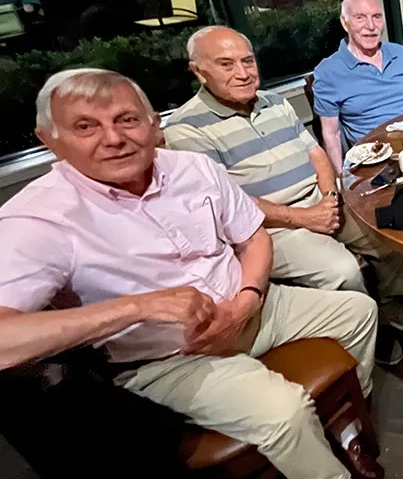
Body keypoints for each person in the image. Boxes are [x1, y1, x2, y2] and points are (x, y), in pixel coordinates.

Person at [0, 68, 383, 479]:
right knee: (285, 413)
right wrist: (138, 306)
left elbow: (254, 236)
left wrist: (247, 300)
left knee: (359, 311)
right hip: (169, 357)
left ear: (153, 125)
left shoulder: (192, 169)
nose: (112, 138)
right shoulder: (38, 217)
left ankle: (345, 431)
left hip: (250, 307)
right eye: (85, 126)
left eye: (126, 119)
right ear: (50, 140)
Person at [165, 26, 403, 366]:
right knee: (341, 269)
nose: (243, 73)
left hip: (321, 200)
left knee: (389, 227)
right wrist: (305, 217)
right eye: (226, 64)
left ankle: (393, 301)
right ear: (199, 72)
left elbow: (317, 153)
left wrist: (330, 198)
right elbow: (224, 204)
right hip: (267, 226)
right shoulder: (184, 129)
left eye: (247, 61)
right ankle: (368, 327)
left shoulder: (275, 102)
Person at [313, 0, 403, 174]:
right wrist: (342, 179)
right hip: (376, 160)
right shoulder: (328, 72)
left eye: (377, 17)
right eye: (360, 18)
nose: (371, 26)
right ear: (344, 22)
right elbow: (331, 134)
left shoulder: (400, 53)